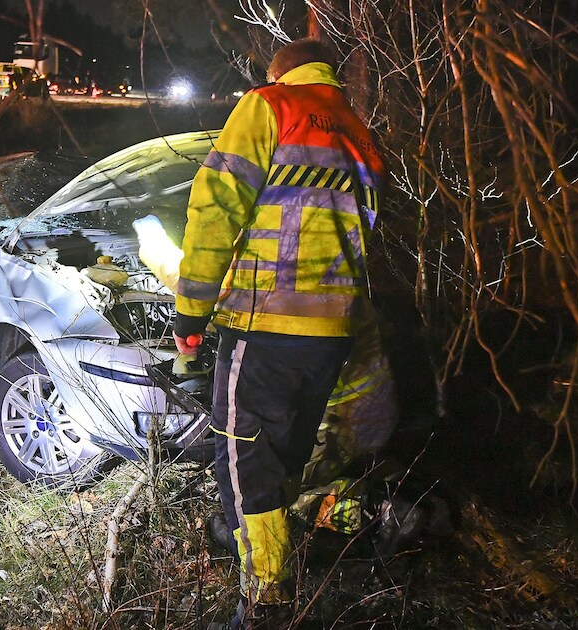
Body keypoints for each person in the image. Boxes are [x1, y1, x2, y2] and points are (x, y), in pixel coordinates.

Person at [173, 39, 386, 629]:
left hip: (266, 322)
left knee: (244, 463)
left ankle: (266, 601)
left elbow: (216, 206)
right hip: (333, 329)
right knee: (286, 451)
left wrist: (192, 308)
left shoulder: (270, 106)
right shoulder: (358, 132)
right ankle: (274, 557)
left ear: (279, 72)